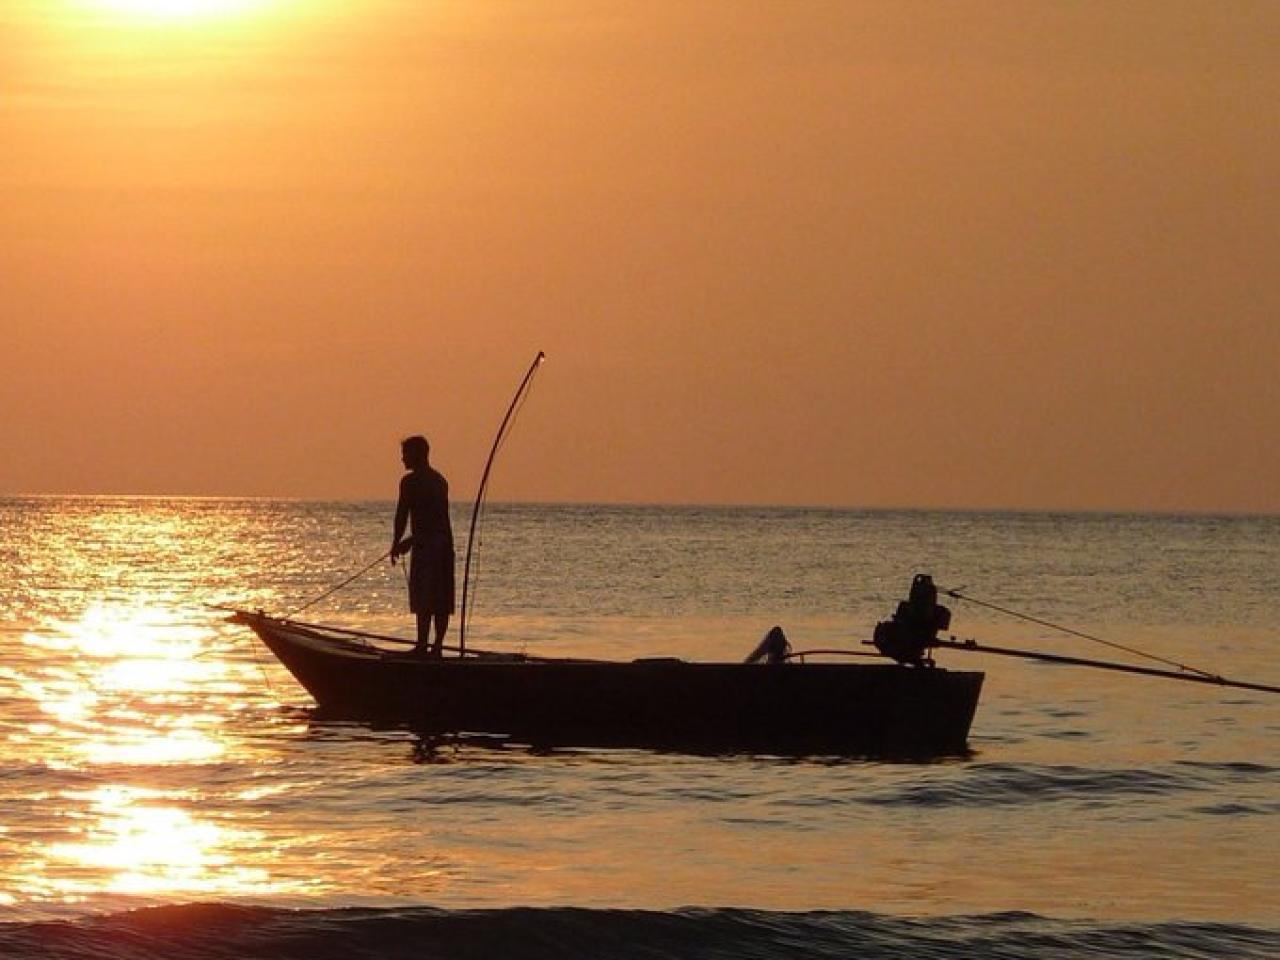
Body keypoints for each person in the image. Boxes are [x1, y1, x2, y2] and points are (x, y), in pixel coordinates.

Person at [390, 435, 455, 657]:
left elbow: (403, 515)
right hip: (443, 545)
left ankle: (424, 647)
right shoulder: (440, 481)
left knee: (427, 598)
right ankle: (434, 647)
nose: (402, 459)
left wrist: (400, 542)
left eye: (405, 453)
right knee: (439, 598)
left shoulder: (411, 483)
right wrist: (402, 542)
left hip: (430, 547)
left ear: (418, 454)